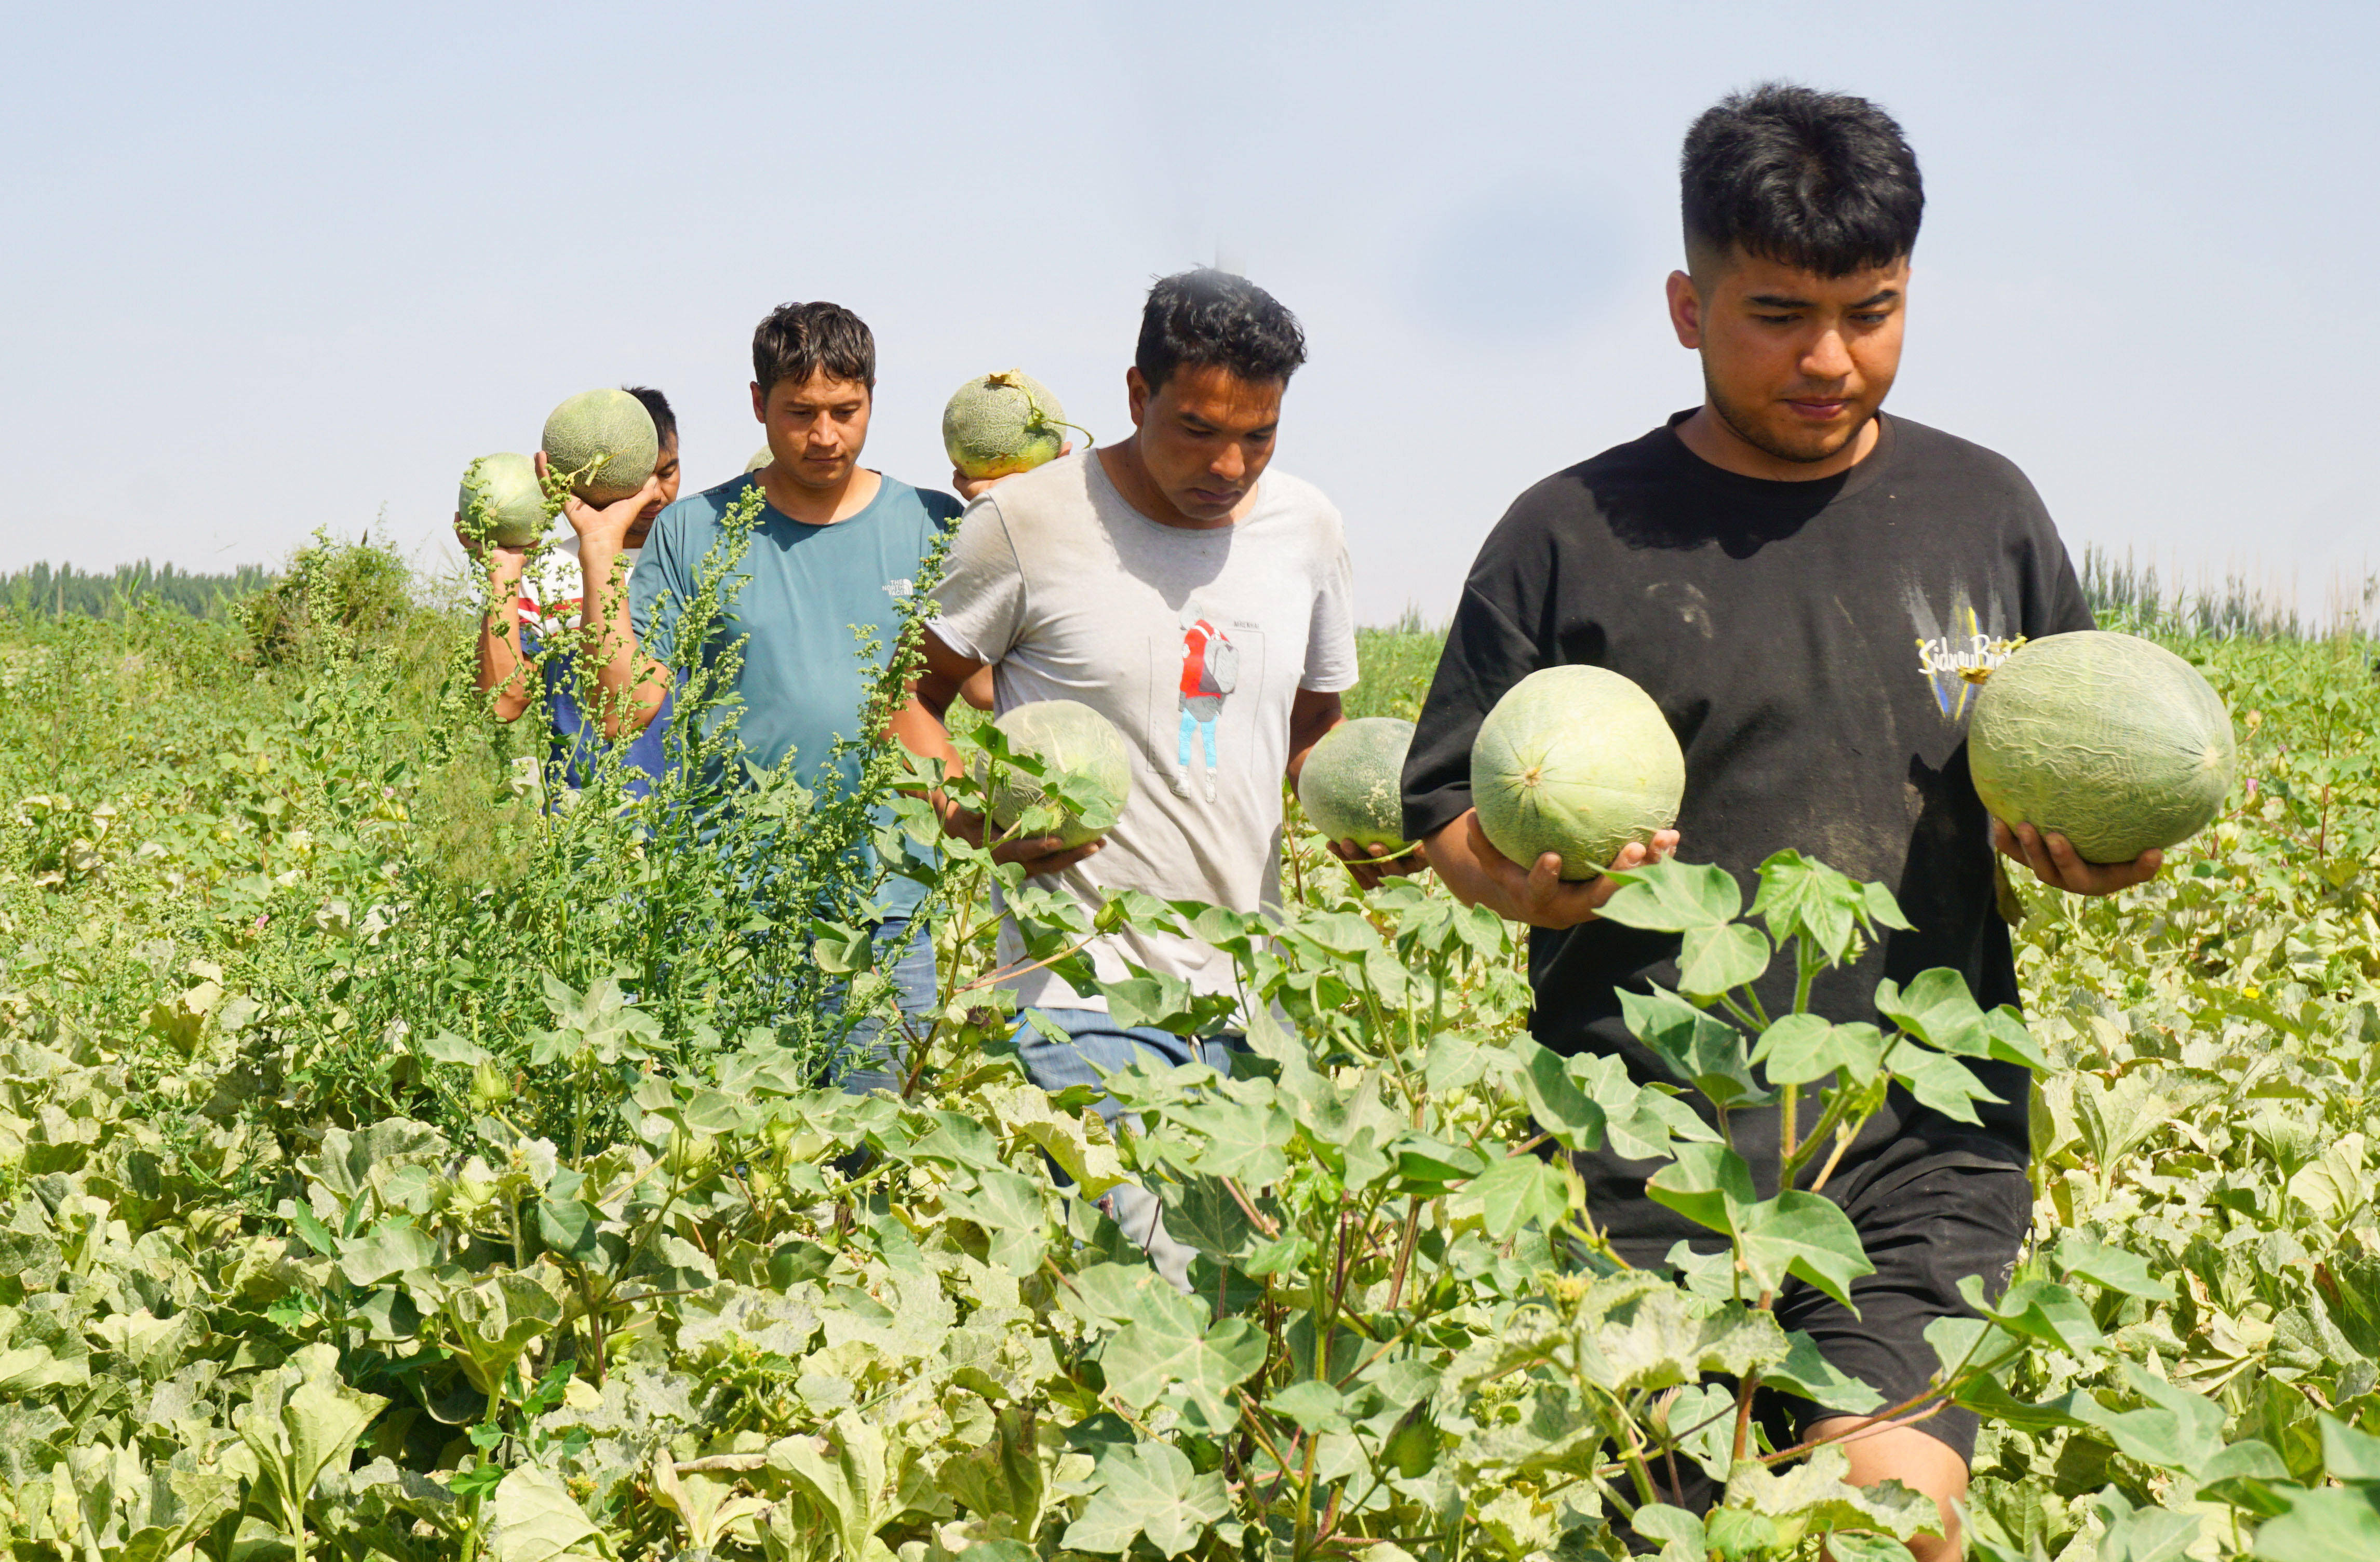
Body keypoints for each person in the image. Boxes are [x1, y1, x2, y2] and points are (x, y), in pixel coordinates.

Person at [1395, 84, 2164, 1558]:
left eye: (1870, 313)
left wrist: (2093, 855)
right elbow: (1449, 813)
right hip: (1642, 1147)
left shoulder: (1985, 511)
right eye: (1776, 315)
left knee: (1896, 1512)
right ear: (1686, 306)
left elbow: (2051, 761)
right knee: (1681, 1528)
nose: (1830, 359)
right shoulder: (1571, 535)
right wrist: (1513, 883)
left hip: (1918, 1129)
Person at [911, 270, 1361, 1279]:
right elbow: (912, 696)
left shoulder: (1308, 531)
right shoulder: (1025, 522)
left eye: (1261, 434)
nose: (1231, 463)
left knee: (1248, 1299)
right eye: (1199, 428)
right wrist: (962, 811)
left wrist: (1366, 820)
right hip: (1080, 988)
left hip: (1251, 994)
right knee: (1152, 1282)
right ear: (1134, 393)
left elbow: (1316, 728)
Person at [564, 302, 971, 1088]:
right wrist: (599, 547)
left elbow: (992, 685)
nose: (826, 437)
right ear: (759, 404)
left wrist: (1010, 508)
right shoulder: (694, 531)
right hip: (730, 904)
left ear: (874, 398)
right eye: (801, 414)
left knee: (875, 1158)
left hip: (884, 905)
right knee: (738, 1163)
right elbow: (623, 711)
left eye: (846, 413)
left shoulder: (933, 526)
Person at [469, 385, 682, 793]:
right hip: (580, 822)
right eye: (641, 476)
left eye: (668, 473)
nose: (655, 492)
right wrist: (503, 571)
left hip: (690, 826)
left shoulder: (699, 558)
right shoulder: (547, 571)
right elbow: (503, 702)